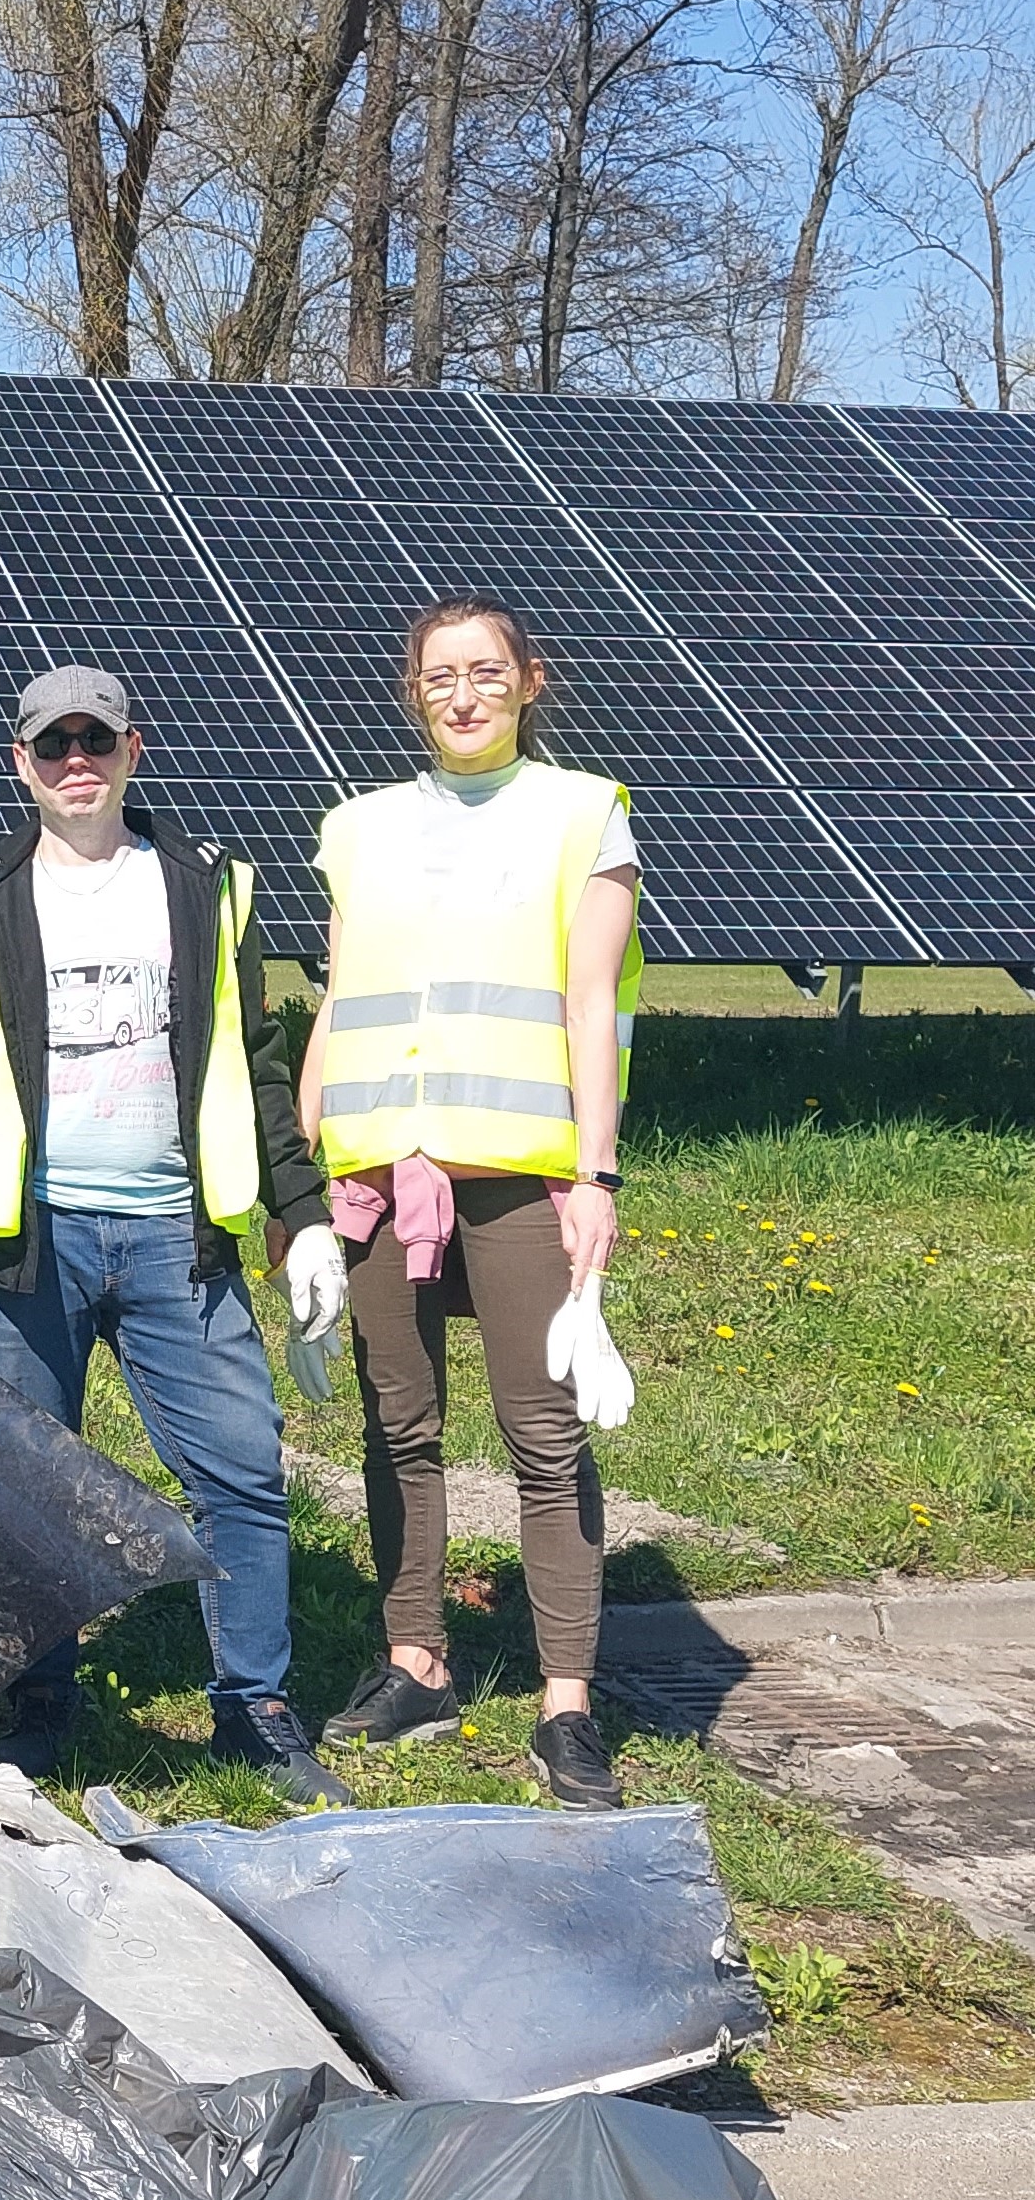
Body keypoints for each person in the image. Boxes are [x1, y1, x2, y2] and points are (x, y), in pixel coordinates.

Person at [0, 665, 351, 1801]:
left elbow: (255, 1064)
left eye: (96, 739)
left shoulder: (205, 888)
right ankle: (39, 1703)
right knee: (22, 1486)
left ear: (135, 749)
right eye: (51, 744)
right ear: (18, 761)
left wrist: (303, 1216)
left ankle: (256, 1711)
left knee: (237, 1472)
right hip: (27, 1242)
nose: (74, 759)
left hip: (178, 1236)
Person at [301, 595, 645, 1810]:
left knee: (541, 1438)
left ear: (527, 683)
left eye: (485, 671)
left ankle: (565, 1704)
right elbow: (343, 992)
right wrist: (314, 1148)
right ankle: (416, 1660)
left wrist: (593, 1176)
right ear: (412, 690)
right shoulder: (355, 827)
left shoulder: (581, 812)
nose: (461, 692)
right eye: (440, 674)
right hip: (379, 1171)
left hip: (518, 1174)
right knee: (400, 1426)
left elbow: (590, 1001)